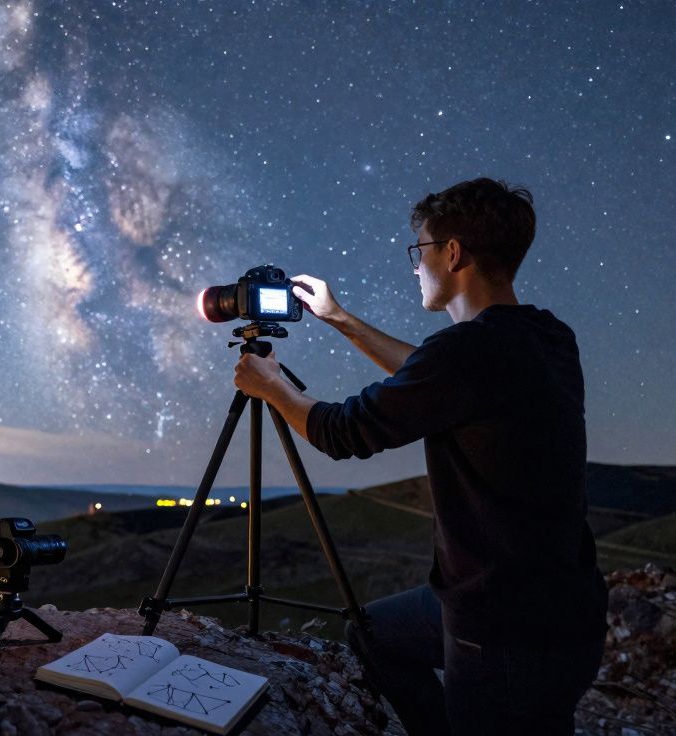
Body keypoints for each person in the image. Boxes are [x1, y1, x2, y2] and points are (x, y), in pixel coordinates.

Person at [232, 178, 608, 735]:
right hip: (563, 607)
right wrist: (339, 318)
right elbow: (434, 376)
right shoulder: (545, 337)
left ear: (452, 253)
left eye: (421, 250)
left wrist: (273, 388)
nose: (415, 266)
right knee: (373, 632)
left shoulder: (468, 352)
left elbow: (344, 433)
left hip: (505, 631)